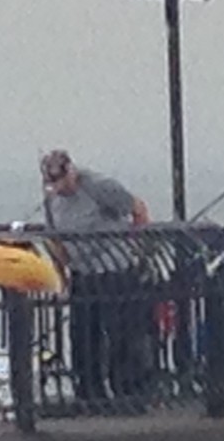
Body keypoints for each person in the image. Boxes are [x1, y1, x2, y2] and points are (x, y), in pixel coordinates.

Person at [40, 150, 152, 403]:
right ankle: (89, 393)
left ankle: (126, 391)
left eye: (60, 181)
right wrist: (62, 273)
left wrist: (138, 248)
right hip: (83, 273)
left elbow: (138, 209)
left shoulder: (98, 186)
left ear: (71, 171)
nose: (58, 188)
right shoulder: (51, 200)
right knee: (83, 336)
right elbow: (54, 238)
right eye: (52, 183)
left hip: (115, 269)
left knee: (121, 335)